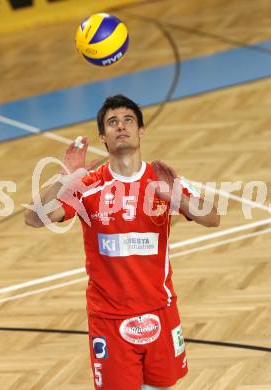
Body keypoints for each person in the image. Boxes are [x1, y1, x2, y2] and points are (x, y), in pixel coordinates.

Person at [24, 94, 220, 390]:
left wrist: (174, 196)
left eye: (128, 120)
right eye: (112, 122)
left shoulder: (162, 179)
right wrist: (64, 179)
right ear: (103, 136)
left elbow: (213, 218)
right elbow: (33, 218)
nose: (121, 126)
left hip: (160, 310)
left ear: (141, 130)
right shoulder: (86, 186)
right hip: (110, 319)